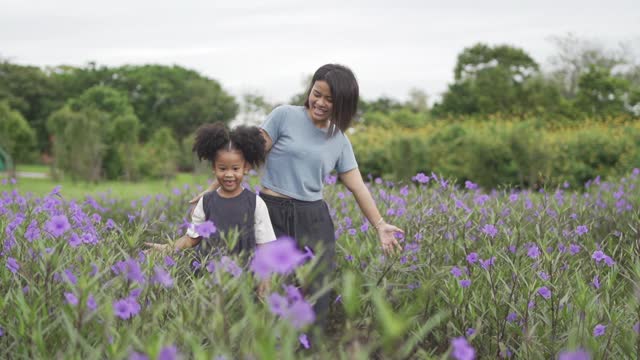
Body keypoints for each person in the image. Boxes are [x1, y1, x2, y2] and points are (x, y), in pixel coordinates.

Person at [192, 63, 404, 328]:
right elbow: (244, 157)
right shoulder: (284, 116)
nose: (321, 102)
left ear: (343, 104)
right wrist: (213, 191)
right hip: (270, 213)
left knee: (315, 293)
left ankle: (309, 351)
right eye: (317, 93)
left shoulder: (339, 140)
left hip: (313, 219)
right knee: (267, 290)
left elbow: (358, 187)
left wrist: (380, 225)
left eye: (330, 99)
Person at [146, 122, 277, 261]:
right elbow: (192, 239)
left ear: (245, 168)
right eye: (222, 168)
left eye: (235, 168)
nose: (229, 174)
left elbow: (264, 244)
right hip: (209, 274)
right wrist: (167, 248)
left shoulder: (256, 203)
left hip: (243, 275)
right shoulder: (206, 201)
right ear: (214, 168)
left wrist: (265, 278)